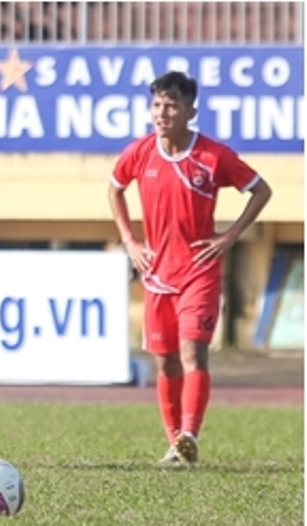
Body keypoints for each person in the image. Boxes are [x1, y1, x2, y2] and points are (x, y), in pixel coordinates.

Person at [108, 71, 272, 465]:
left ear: (190, 112)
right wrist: (130, 241)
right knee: (165, 361)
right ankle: (176, 445)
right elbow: (115, 189)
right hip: (157, 275)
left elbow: (260, 189)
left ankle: (190, 433)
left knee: (192, 351)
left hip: (199, 271)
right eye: (157, 105)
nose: (162, 113)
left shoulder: (214, 156)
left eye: (171, 106)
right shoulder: (140, 152)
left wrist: (230, 235)